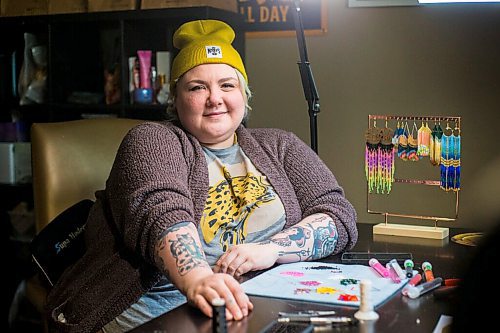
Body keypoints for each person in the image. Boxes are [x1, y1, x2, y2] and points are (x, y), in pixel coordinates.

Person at [45, 19, 358, 333]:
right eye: (197, 87)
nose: (215, 98)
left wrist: (271, 250)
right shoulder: (152, 141)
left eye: (227, 84)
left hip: (254, 308)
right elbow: (161, 213)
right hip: (157, 314)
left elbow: (338, 215)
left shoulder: (281, 145)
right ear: (176, 98)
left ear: (244, 95)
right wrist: (198, 279)